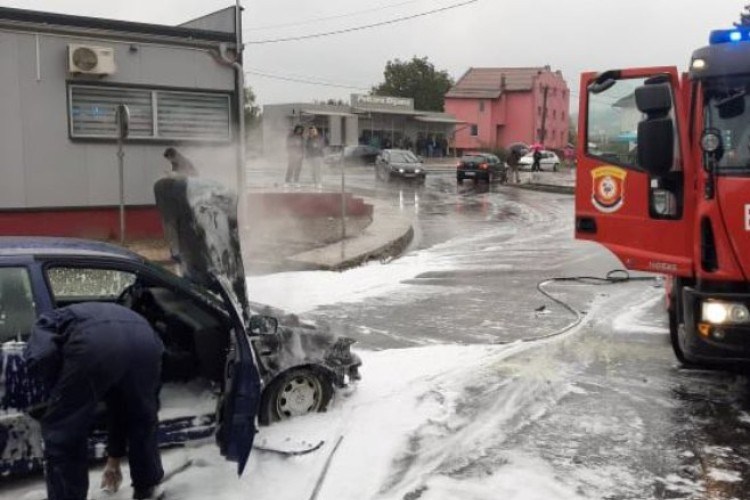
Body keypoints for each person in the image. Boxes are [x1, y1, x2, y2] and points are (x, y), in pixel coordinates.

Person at [24, 302, 165, 500]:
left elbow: (41, 356)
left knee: (63, 429)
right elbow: (118, 409)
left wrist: (59, 393)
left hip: (94, 343)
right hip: (146, 340)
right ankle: (148, 486)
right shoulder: (80, 315)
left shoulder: (46, 323)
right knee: (140, 417)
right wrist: (113, 461)